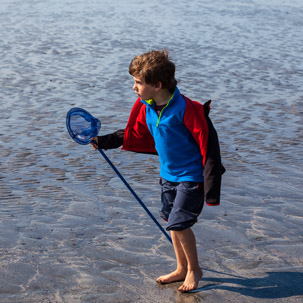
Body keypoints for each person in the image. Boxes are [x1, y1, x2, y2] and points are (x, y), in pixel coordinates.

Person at [90, 49, 225, 292]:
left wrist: (211, 187)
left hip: (191, 176)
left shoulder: (186, 109)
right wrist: (105, 141)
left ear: (157, 84)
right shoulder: (147, 107)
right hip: (168, 176)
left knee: (179, 223)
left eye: (138, 82)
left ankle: (195, 269)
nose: (134, 87)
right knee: (170, 220)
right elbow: (131, 133)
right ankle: (181, 268)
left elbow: (210, 146)